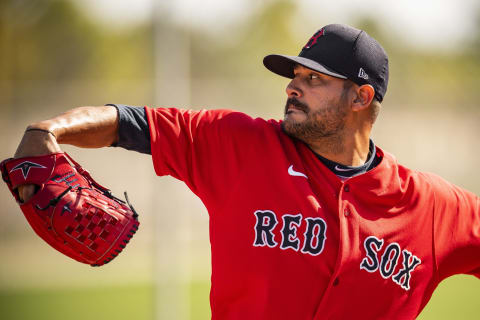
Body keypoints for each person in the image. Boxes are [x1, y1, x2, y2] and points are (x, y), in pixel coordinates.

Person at [11, 24, 480, 319]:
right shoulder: (239, 143)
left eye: (313, 79)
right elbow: (131, 123)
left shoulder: (432, 207)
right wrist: (48, 130)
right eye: (294, 76)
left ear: (361, 98)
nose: (294, 87)